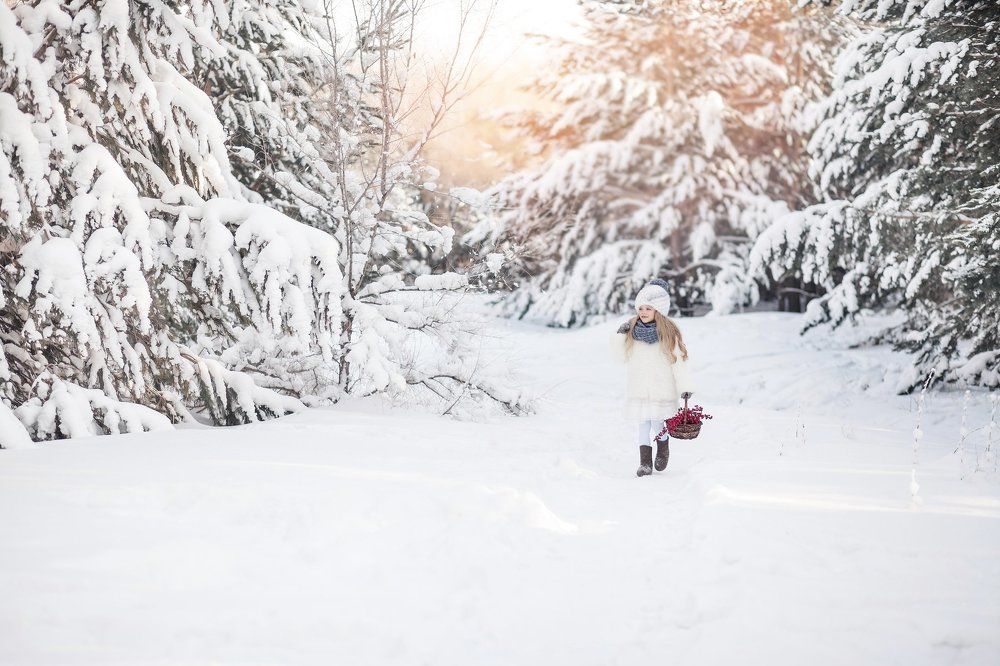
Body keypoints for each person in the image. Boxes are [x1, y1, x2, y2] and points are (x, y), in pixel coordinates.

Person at [610, 279, 694, 477]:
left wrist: (685, 386)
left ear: (659, 310)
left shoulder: (668, 334)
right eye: (641, 308)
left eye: (649, 308)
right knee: (643, 424)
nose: (643, 312)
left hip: (660, 388)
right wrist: (619, 336)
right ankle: (645, 463)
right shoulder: (632, 331)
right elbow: (619, 356)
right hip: (639, 387)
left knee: (657, 422)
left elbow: (678, 361)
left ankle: (662, 450)